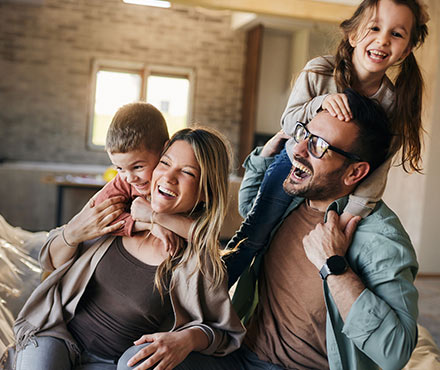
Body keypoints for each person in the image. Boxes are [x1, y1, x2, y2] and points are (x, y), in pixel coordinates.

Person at [175, 88, 419, 370]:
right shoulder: (288, 202)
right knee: (139, 361)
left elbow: (395, 353)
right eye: (304, 134)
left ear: (355, 172)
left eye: (319, 146)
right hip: (241, 355)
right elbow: (249, 209)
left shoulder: (381, 240)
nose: (299, 150)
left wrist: (334, 266)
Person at [226, 0, 429, 285]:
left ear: (406, 50)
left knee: (324, 250)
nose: (383, 39)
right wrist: (320, 103)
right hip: (293, 161)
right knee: (253, 234)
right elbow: (288, 123)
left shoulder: (392, 104)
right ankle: (209, 296)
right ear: (354, 34)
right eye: (374, 27)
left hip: (343, 182)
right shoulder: (319, 70)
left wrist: (350, 214)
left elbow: (378, 169)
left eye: (396, 34)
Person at [12, 127, 246, 370]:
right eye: (165, 163)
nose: (168, 177)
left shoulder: (194, 258)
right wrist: (72, 234)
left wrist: (186, 339)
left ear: (205, 193)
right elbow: (49, 260)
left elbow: (222, 331)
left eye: (187, 172)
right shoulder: (117, 210)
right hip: (59, 336)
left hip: (116, 362)